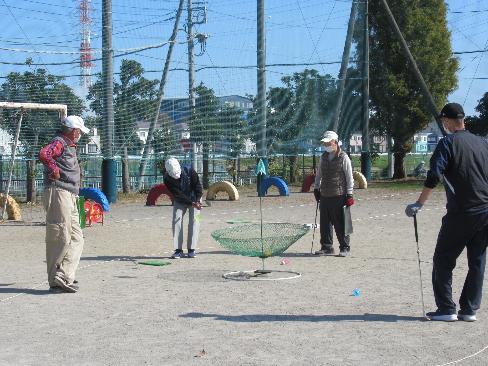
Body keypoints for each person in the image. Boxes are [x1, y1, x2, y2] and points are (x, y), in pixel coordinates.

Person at [405, 102, 488, 322]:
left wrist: (419, 204)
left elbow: (434, 175)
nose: (443, 125)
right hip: (485, 210)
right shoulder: (483, 142)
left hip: (462, 211)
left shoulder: (447, 143)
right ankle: (469, 310)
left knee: (443, 259)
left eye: (443, 121)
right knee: (477, 261)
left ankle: (446, 308)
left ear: (449, 121)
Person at [39, 115, 89, 293]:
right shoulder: (59, 142)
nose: (80, 135)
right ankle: (55, 278)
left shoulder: (69, 145)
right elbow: (45, 154)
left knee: (77, 237)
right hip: (58, 192)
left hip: (70, 194)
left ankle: (64, 276)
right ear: (74, 131)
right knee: (60, 236)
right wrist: (54, 169)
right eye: (80, 131)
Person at [313, 131, 354, 257]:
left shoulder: (344, 157)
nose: (326, 144)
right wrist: (316, 188)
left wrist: (349, 194)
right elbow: (319, 174)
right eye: (324, 142)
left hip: (339, 195)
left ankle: (344, 247)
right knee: (325, 224)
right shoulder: (323, 157)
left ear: (335, 142)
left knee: (341, 223)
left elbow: (349, 177)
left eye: (328, 142)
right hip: (325, 195)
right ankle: (326, 247)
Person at [163, 158, 203, 259]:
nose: (176, 177)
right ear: (168, 172)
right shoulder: (167, 178)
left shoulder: (190, 170)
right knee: (176, 220)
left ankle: (191, 249)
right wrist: (191, 203)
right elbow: (177, 194)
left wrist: (197, 200)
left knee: (195, 220)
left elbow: (198, 186)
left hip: (195, 198)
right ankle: (178, 250)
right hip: (180, 199)